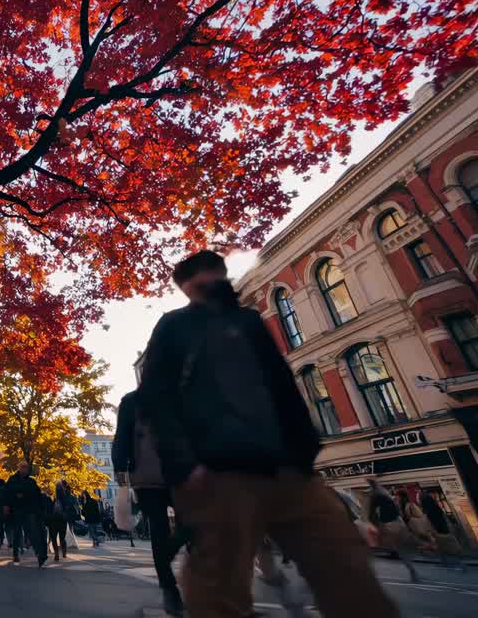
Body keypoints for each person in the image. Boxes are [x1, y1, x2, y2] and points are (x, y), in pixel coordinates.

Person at [138, 249, 399, 618]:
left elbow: (282, 384)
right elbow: (156, 399)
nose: (215, 283)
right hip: (220, 474)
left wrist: (304, 451)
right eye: (204, 279)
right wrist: (185, 467)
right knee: (218, 590)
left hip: (288, 469)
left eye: (217, 274)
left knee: (346, 570)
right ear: (188, 287)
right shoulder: (174, 327)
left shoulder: (248, 322)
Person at [114, 389, 184, 614]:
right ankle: (169, 588)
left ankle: (169, 558)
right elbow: (121, 436)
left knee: (190, 524)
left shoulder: (177, 394)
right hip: (146, 477)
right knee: (159, 528)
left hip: (178, 473)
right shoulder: (132, 401)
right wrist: (120, 470)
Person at [367, 478, 420, 583]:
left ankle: (412, 570)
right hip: (398, 522)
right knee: (405, 546)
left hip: (390, 525)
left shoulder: (375, 497)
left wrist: (376, 526)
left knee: (401, 549)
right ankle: (413, 568)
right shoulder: (386, 495)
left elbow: (371, 515)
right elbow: (396, 510)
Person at [3, 461, 48, 566]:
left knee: (32, 532)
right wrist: (6, 505)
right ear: (19, 468)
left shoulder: (31, 482)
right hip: (16, 510)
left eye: (26, 468)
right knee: (17, 532)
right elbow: (6, 493)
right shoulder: (12, 480)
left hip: (29, 511)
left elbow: (37, 496)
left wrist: (40, 510)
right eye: (22, 467)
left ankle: (39, 554)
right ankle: (15, 553)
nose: (24, 469)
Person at [420, 490, 466, 571]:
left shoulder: (427, 512)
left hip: (437, 532)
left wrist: (431, 533)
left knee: (442, 548)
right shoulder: (437, 508)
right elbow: (444, 518)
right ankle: (458, 563)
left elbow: (429, 525)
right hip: (445, 530)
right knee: (448, 547)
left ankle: (448, 563)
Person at [53, 481, 81, 552]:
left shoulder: (63, 496)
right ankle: (67, 544)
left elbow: (74, 505)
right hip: (66, 515)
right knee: (67, 530)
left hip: (65, 515)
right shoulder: (67, 496)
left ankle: (67, 544)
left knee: (66, 530)